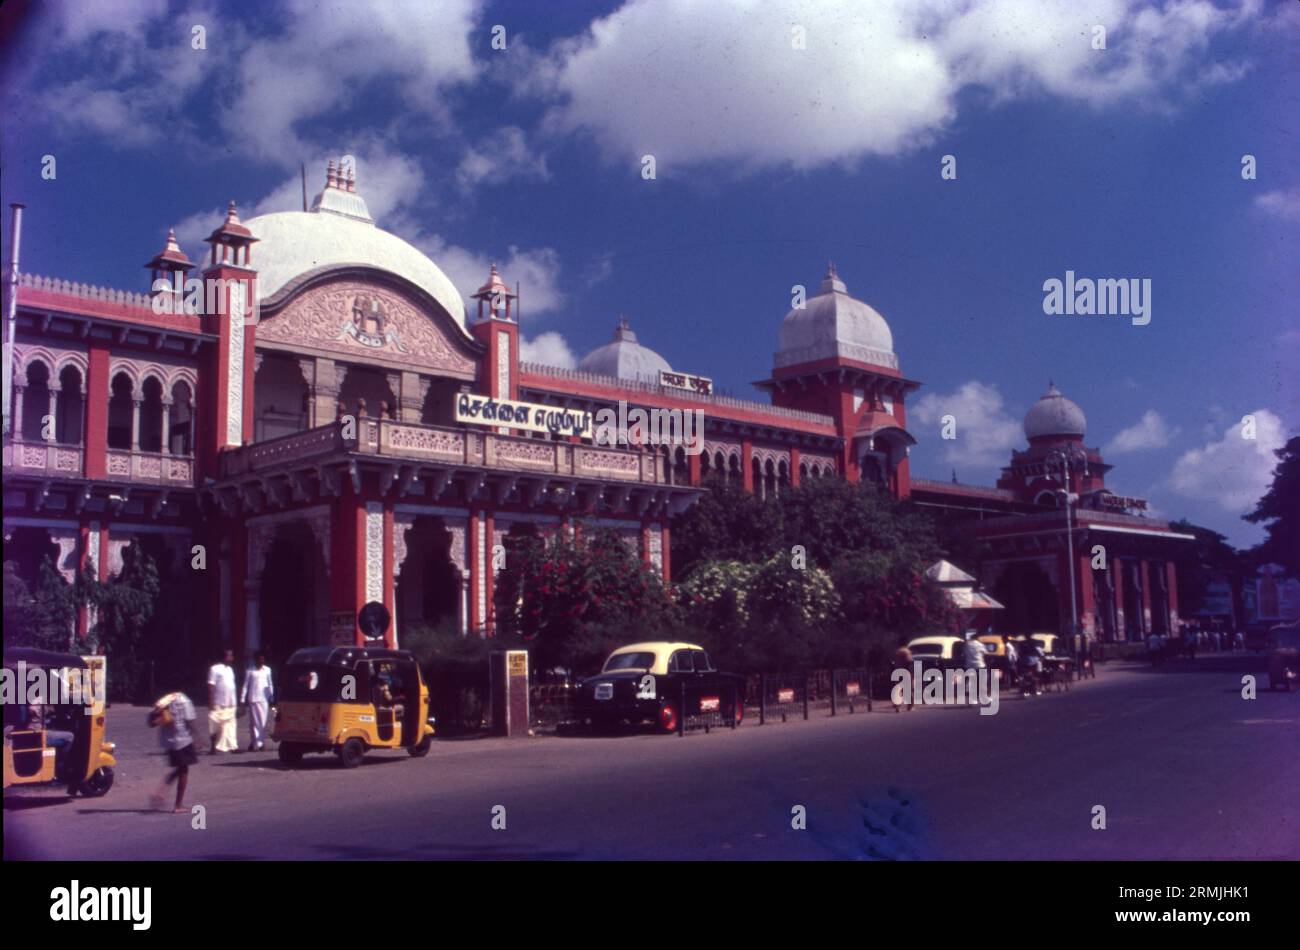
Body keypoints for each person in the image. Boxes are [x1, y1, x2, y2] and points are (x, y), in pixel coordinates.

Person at [148, 691, 197, 813]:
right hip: (183, 740)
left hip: (169, 741)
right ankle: (178, 805)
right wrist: (198, 737)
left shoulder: (163, 701)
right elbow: (189, 721)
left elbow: (151, 722)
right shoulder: (184, 700)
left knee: (179, 770)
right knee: (183, 772)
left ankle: (160, 792)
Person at [207, 650, 239, 754]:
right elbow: (211, 686)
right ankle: (213, 747)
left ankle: (233, 747)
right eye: (230, 656)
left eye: (232, 656)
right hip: (218, 703)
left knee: (230, 726)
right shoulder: (214, 669)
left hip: (230, 703)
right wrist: (211, 702)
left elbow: (232, 687)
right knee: (214, 724)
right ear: (224, 657)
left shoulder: (230, 669)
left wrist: (235, 703)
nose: (232, 658)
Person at [241, 653, 274, 752]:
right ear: (256, 660)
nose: (261, 661)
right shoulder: (250, 670)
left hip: (264, 699)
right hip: (254, 698)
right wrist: (242, 699)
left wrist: (272, 697)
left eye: (263, 659)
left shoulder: (268, 670)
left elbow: (270, 684)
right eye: (259, 659)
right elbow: (245, 685)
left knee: (263, 722)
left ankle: (255, 742)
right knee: (256, 722)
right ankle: (258, 744)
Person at [890, 646, 914, 712]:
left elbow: (893, 663)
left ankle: (898, 707)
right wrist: (911, 674)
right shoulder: (907, 651)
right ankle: (910, 706)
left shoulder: (897, 652)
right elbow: (909, 663)